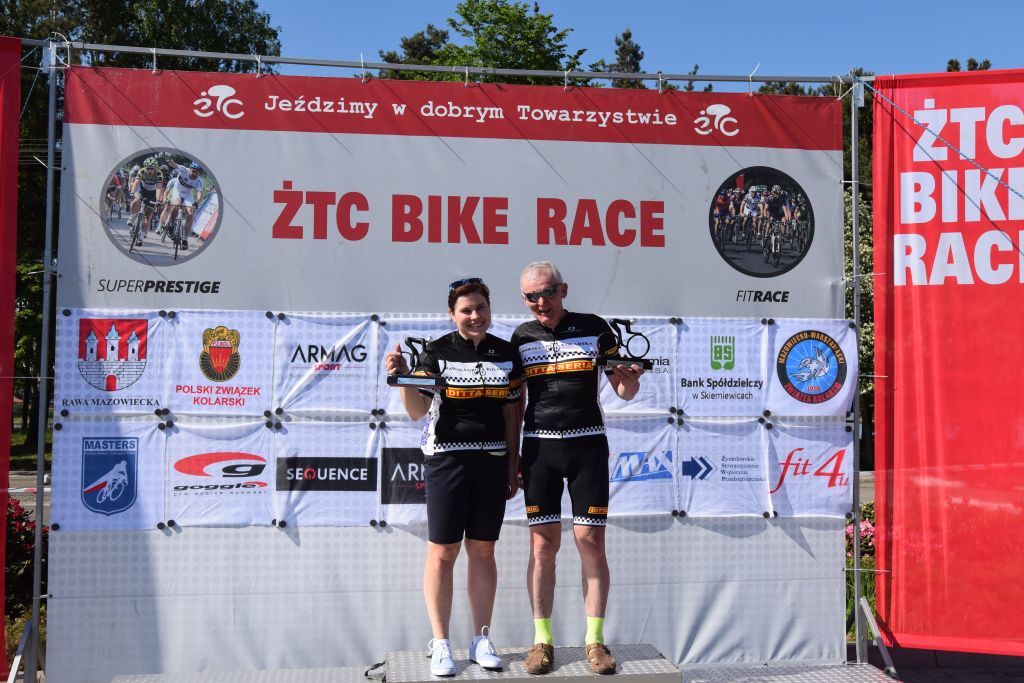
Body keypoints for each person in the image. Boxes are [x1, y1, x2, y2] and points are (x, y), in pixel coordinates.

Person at [385, 278, 523, 678]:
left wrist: (512, 464)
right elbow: (416, 411)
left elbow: (512, 414)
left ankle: (481, 639)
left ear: (490, 309)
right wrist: (404, 378)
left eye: (481, 308)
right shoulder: (437, 352)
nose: (475, 316)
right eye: (466, 310)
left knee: (483, 551)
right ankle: (441, 642)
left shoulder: (506, 354)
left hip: (491, 461)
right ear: (452, 314)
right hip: (446, 460)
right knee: (443, 552)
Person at [511, 262, 644, 676]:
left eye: (547, 293)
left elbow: (623, 388)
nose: (540, 303)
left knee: (590, 541)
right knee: (542, 546)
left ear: (563, 290)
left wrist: (630, 380)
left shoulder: (595, 328)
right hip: (539, 449)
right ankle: (542, 641)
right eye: (531, 297)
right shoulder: (521, 337)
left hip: (587, 446)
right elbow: (516, 401)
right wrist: (514, 455)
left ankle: (595, 641)